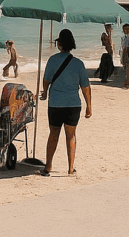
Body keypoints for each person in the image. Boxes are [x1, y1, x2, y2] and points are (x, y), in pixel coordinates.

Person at [38, 29, 92, 177]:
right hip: (73, 104)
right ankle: (70, 168)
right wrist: (89, 106)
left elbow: (46, 80)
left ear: (59, 44)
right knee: (71, 135)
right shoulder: (78, 63)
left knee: (53, 135)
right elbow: (85, 87)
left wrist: (44, 92)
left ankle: (48, 167)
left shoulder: (52, 60)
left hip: (55, 104)